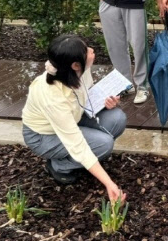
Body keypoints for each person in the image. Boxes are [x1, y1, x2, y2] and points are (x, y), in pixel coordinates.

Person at [22, 35, 126, 202]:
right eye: (87, 51)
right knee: (104, 144)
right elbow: (76, 143)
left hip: (74, 117)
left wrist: (106, 102)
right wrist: (109, 184)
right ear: (75, 65)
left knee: (117, 117)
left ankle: (86, 161)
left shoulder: (74, 71)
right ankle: (59, 166)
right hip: (43, 136)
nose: (92, 50)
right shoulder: (52, 97)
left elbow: (83, 97)